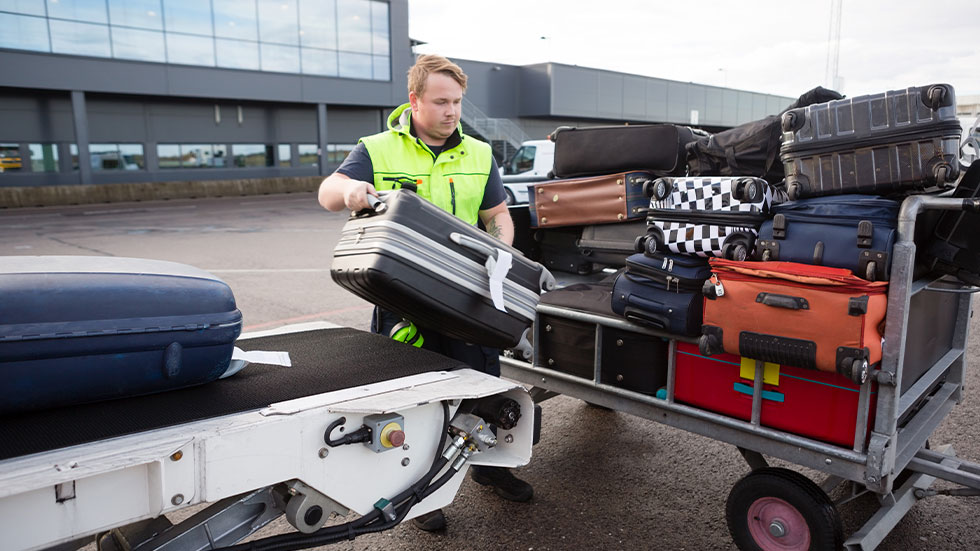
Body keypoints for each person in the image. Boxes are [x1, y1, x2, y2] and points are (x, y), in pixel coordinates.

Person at [317, 55, 531, 532]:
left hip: (469, 300)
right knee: (416, 400)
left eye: (456, 101)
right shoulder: (377, 148)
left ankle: (492, 470)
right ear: (414, 101)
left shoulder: (479, 153)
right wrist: (351, 192)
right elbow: (328, 191)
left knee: (482, 388)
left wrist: (501, 253)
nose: (452, 111)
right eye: (441, 102)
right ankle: (423, 497)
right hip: (404, 302)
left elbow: (498, 214)